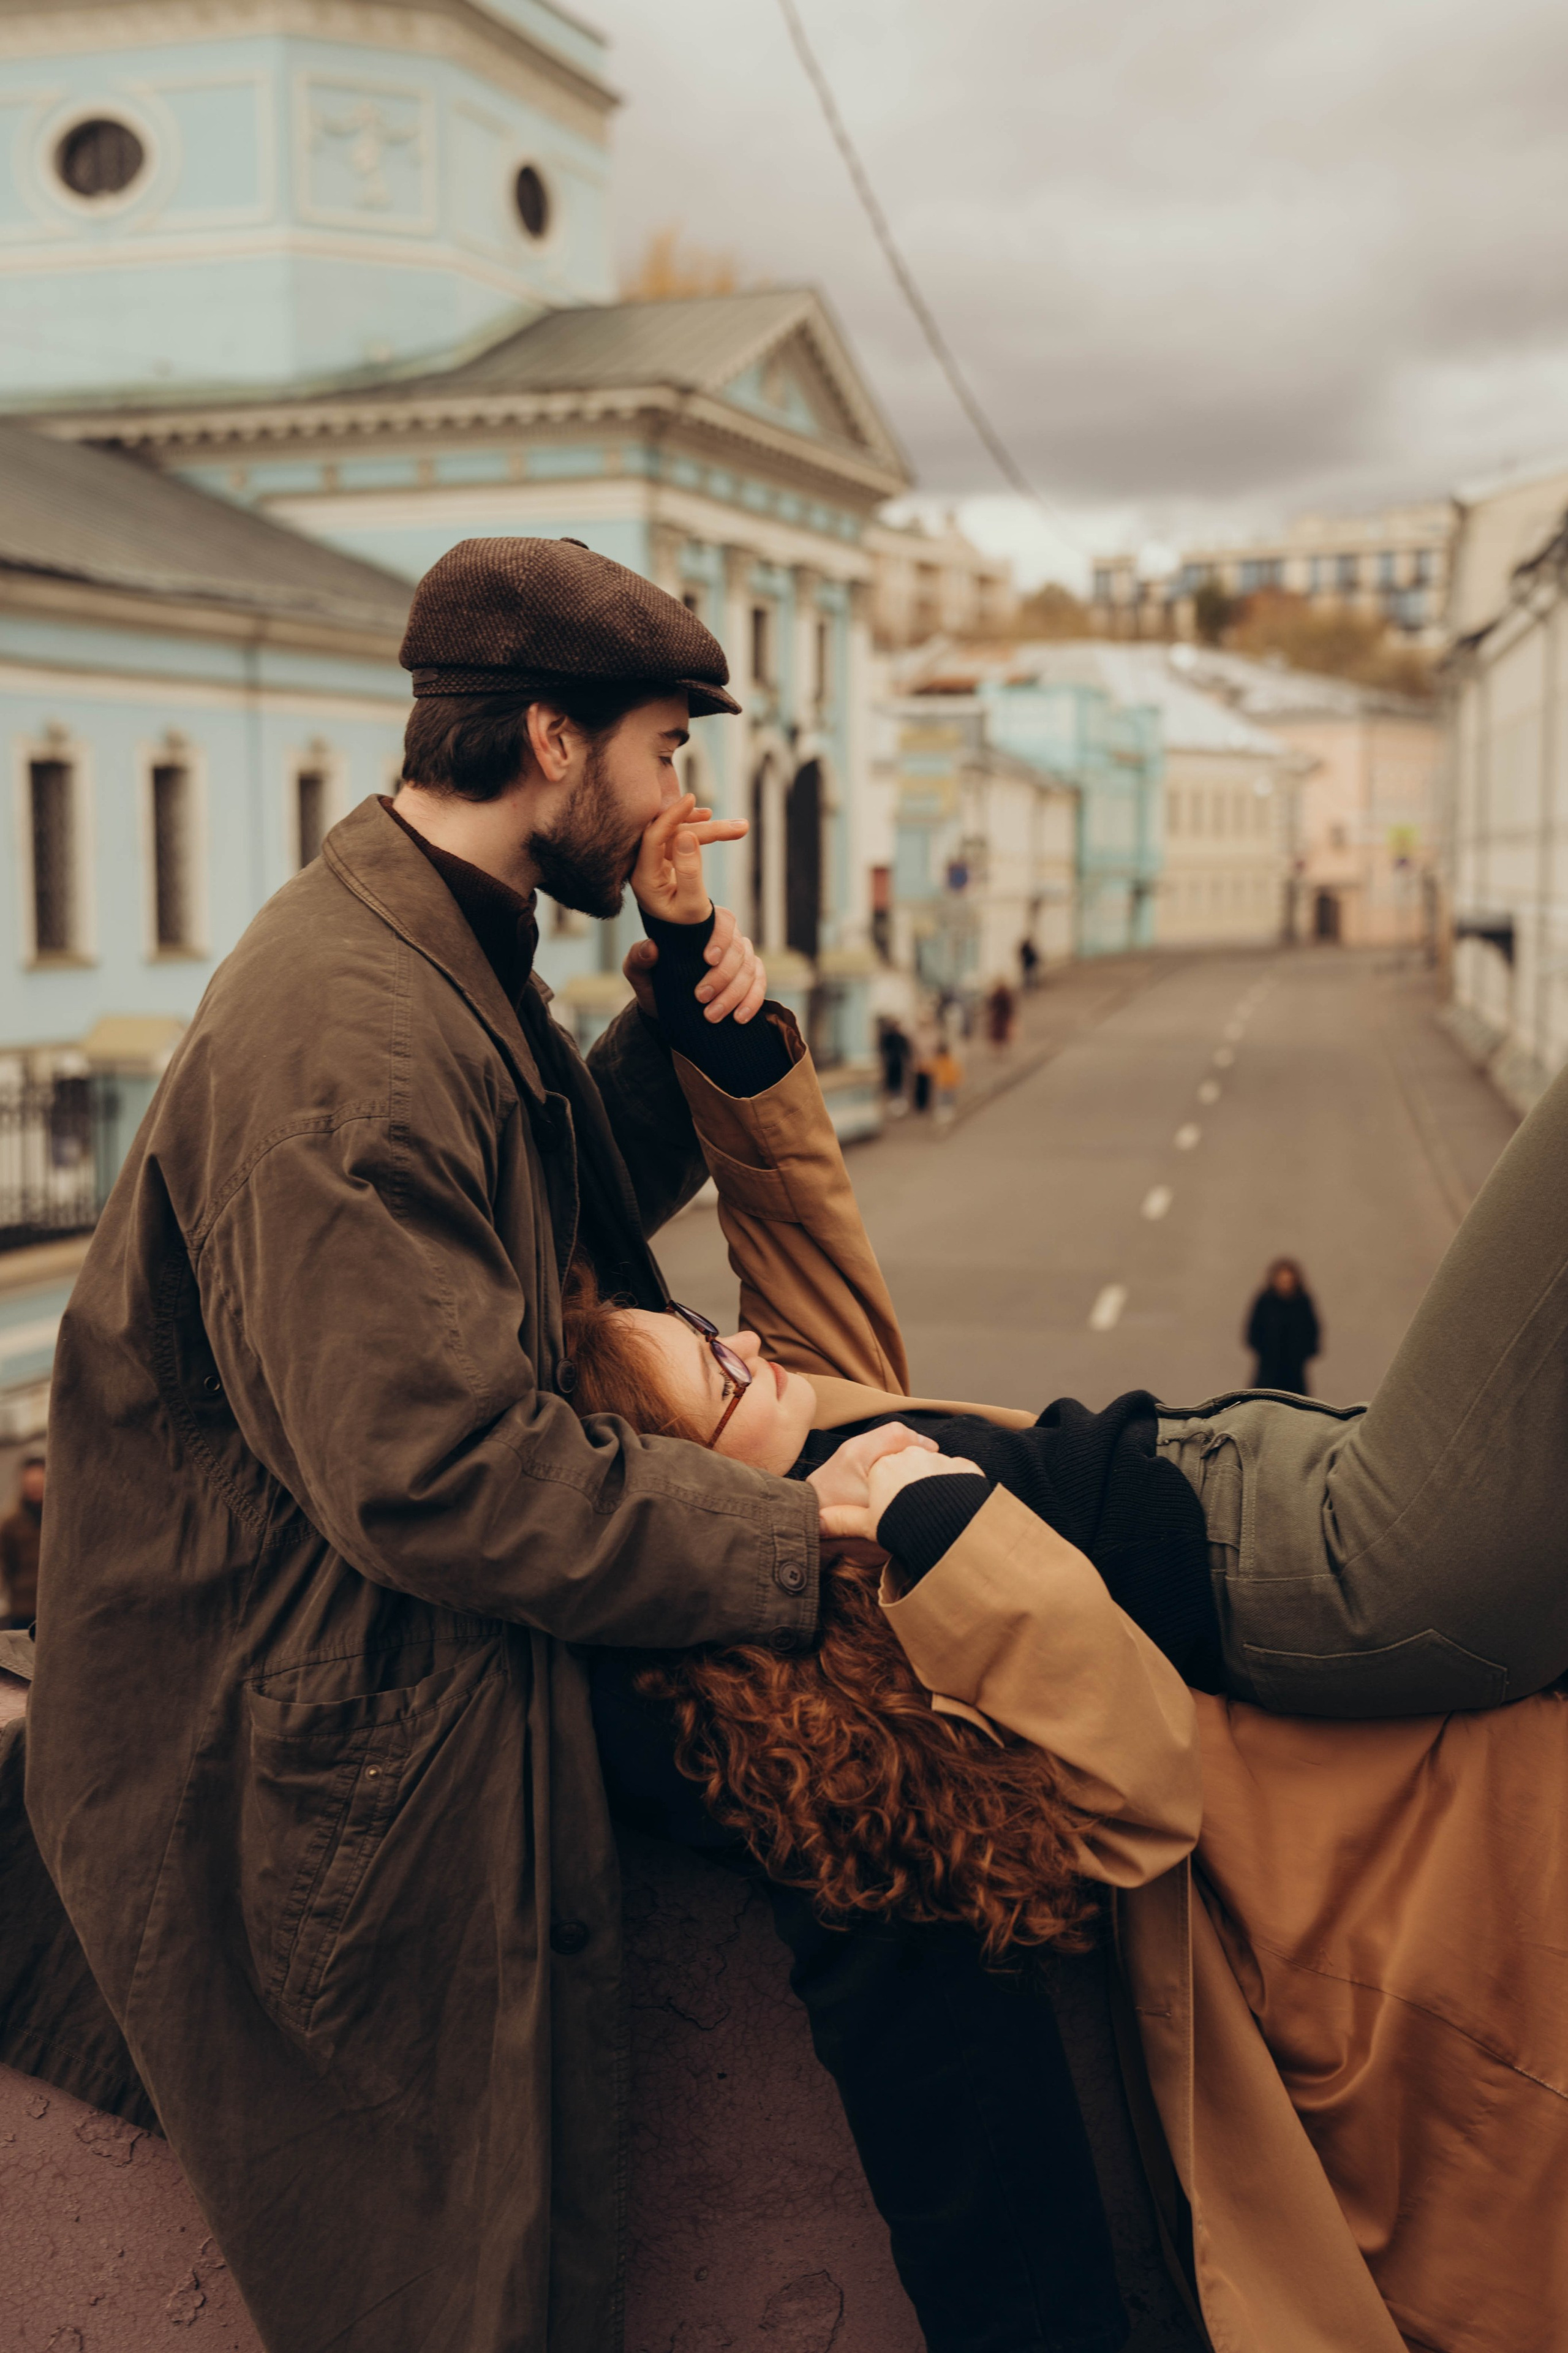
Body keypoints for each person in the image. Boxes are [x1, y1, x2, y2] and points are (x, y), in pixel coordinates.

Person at [21, 538, 922, 2353]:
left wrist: (685, 993)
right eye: (663, 749)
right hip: (307, 1750)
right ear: (548, 738)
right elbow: (435, 1469)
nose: (683, 798)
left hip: (360, 1680)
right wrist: (783, 1531)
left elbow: (531, 1224)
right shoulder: (348, 1030)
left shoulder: (432, 942)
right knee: (465, 2290)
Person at [564, 971, 1568, 2352]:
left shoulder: (807, 1438)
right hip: (1345, 1563)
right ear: (689, 1493)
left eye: (706, 1327)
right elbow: (1132, 1776)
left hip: (1293, 1499)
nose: (739, 1340)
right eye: (719, 1372)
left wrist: (705, 1004)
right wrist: (938, 1520)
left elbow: (806, 1276)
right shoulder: (852, 1586)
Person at [1245, 1256, 1321, 1392]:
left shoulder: (1302, 1302)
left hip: (1295, 1370)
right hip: (1268, 1368)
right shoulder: (1265, 1301)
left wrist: (1302, 1352)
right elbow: (1253, 1330)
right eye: (1282, 1280)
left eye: (1288, 1280)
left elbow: (1312, 1330)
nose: (1285, 1284)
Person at [0, 1452, 42, 1629]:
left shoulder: (60, 1522)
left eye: (38, 1484)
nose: (34, 1488)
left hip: (56, 1606)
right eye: (30, 1484)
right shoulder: (11, 1523)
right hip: (23, 1608)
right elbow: (6, 1565)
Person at [986, 977, 1017, 1049]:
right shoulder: (1001, 994)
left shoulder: (1001, 995)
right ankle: (999, 1046)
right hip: (999, 1017)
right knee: (999, 1032)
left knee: (1000, 1032)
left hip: (1000, 1017)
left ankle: (999, 1046)